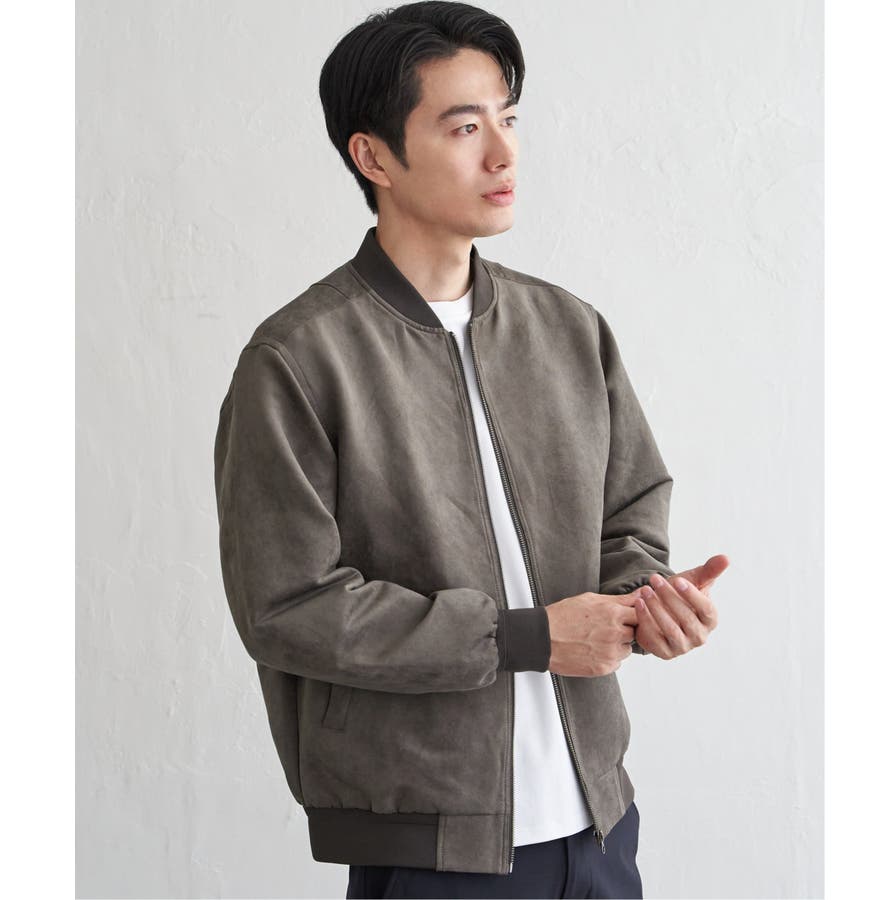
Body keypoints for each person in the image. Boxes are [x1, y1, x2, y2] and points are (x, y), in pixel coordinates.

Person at [213, 2, 726, 897]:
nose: (503, 153)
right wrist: (528, 637)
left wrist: (643, 603)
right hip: (430, 845)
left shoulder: (567, 328)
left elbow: (632, 510)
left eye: (508, 118)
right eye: (463, 127)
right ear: (373, 157)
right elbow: (288, 605)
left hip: (600, 826)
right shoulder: (298, 358)